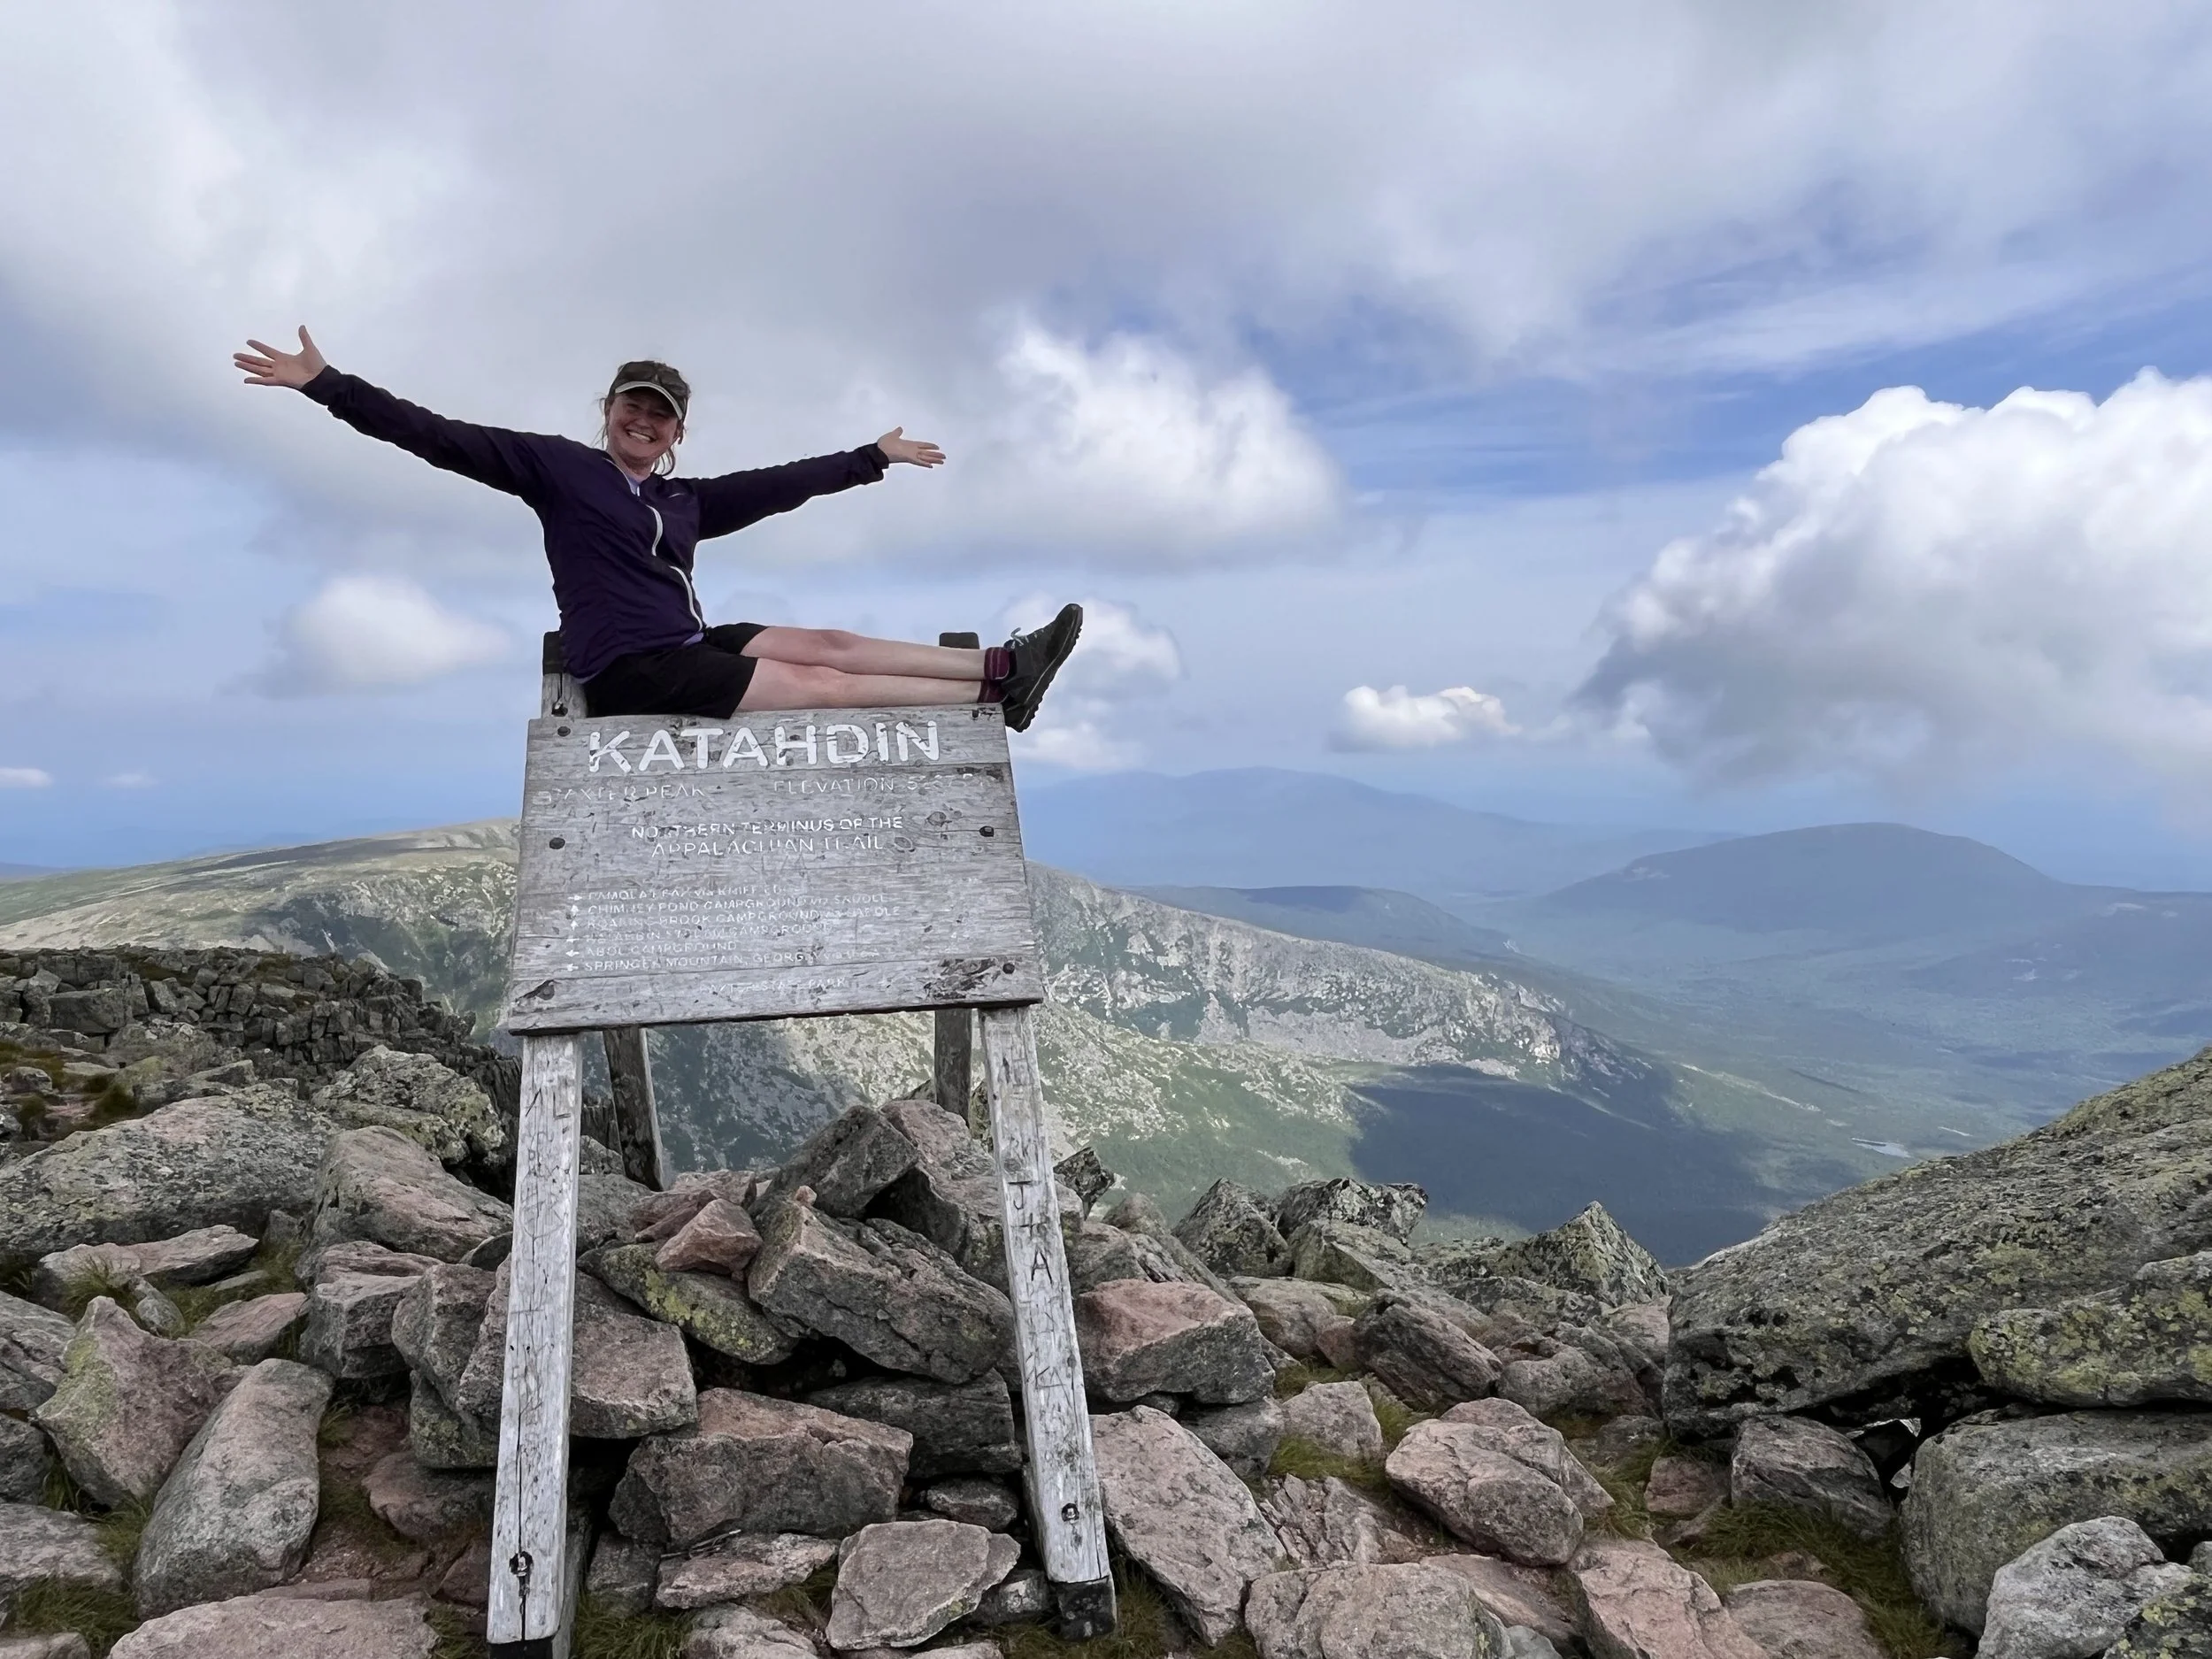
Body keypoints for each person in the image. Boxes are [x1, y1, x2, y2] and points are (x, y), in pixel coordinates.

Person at [234, 327, 1081, 727]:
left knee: (830, 643)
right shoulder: (554, 468)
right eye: (632, 407)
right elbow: (436, 435)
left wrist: (872, 456)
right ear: (608, 409)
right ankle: (991, 700)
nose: (644, 421)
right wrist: (328, 385)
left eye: (660, 414)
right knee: (818, 685)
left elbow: (780, 485)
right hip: (633, 670)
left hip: (689, 645)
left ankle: (1003, 665)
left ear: (677, 430)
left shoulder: (686, 502)